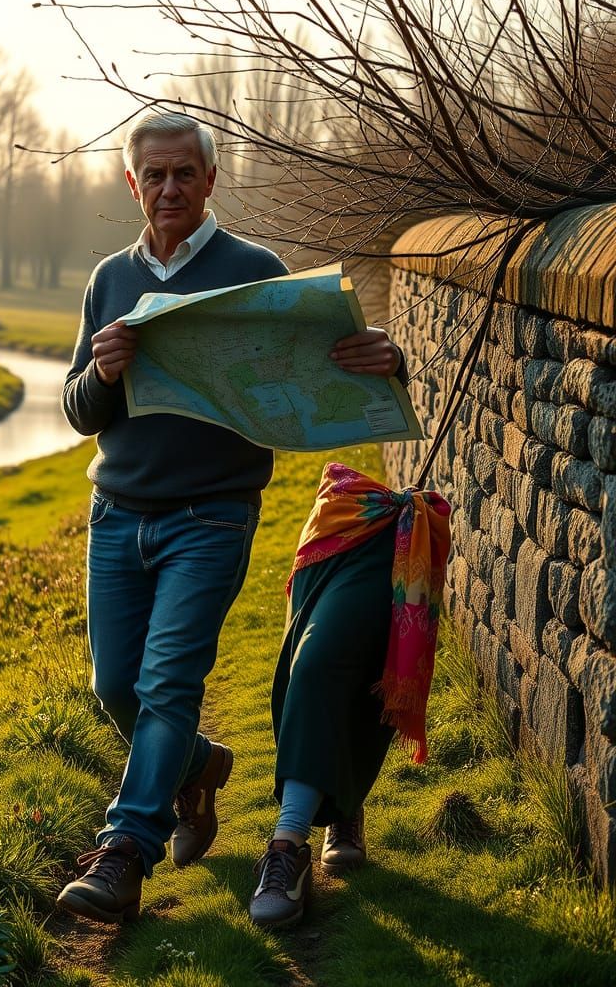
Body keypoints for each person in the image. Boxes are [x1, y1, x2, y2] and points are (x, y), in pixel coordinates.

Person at [57, 111, 407, 925]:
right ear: (132, 182)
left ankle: (125, 852)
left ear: (211, 179)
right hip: (115, 515)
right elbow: (77, 410)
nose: (170, 187)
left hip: (211, 516)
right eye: (155, 175)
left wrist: (379, 357)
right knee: (115, 687)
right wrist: (104, 375)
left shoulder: (255, 271)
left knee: (167, 682)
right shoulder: (110, 278)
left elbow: (320, 374)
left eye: (185, 173)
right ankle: (200, 767)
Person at [248, 465, 449, 929]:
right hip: (335, 509)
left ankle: (288, 844)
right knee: (311, 665)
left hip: (388, 520)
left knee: (328, 661)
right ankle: (343, 799)